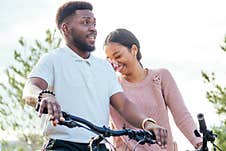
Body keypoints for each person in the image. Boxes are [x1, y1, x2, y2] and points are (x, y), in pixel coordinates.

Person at [22, 1, 168, 151]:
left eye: (94, 23)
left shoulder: (104, 67)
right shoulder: (52, 59)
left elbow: (123, 105)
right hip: (62, 145)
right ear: (65, 29)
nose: (93, 29)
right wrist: (44, 96)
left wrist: (147, 123)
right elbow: (30, 88)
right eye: (85, 23)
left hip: (99, 145)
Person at [104, 28, 203, 151]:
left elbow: (182, 115)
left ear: (134, 50)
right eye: (109, 59)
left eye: (118, 56)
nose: (114, 63)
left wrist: (198, 142)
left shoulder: (161, 77)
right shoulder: (112, 86)